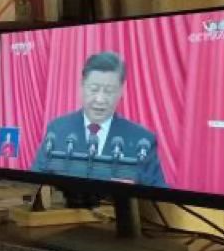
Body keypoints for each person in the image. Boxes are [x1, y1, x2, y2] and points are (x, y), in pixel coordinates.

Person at [32, 51, 167, 187]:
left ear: (121, 91)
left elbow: (158, 192)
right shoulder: (57, 130)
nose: (100, 99)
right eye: (94, 89)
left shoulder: (142, 141)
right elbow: (34, 184)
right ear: (82, 86)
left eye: (108, 91)